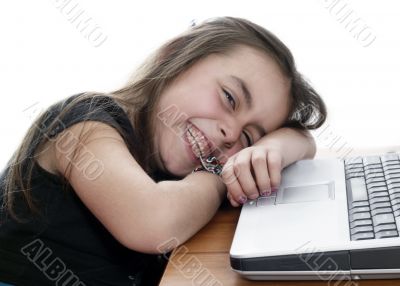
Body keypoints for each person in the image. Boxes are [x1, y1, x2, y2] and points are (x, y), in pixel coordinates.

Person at [0, 17, 326, 285]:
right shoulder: (84, 122)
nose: (230, 134)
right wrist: (217, 178)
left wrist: (271, 149)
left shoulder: (174, 170)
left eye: (248, 136)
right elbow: (153, 223)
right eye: (229, 97)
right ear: (175, 56)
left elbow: (303, 139)